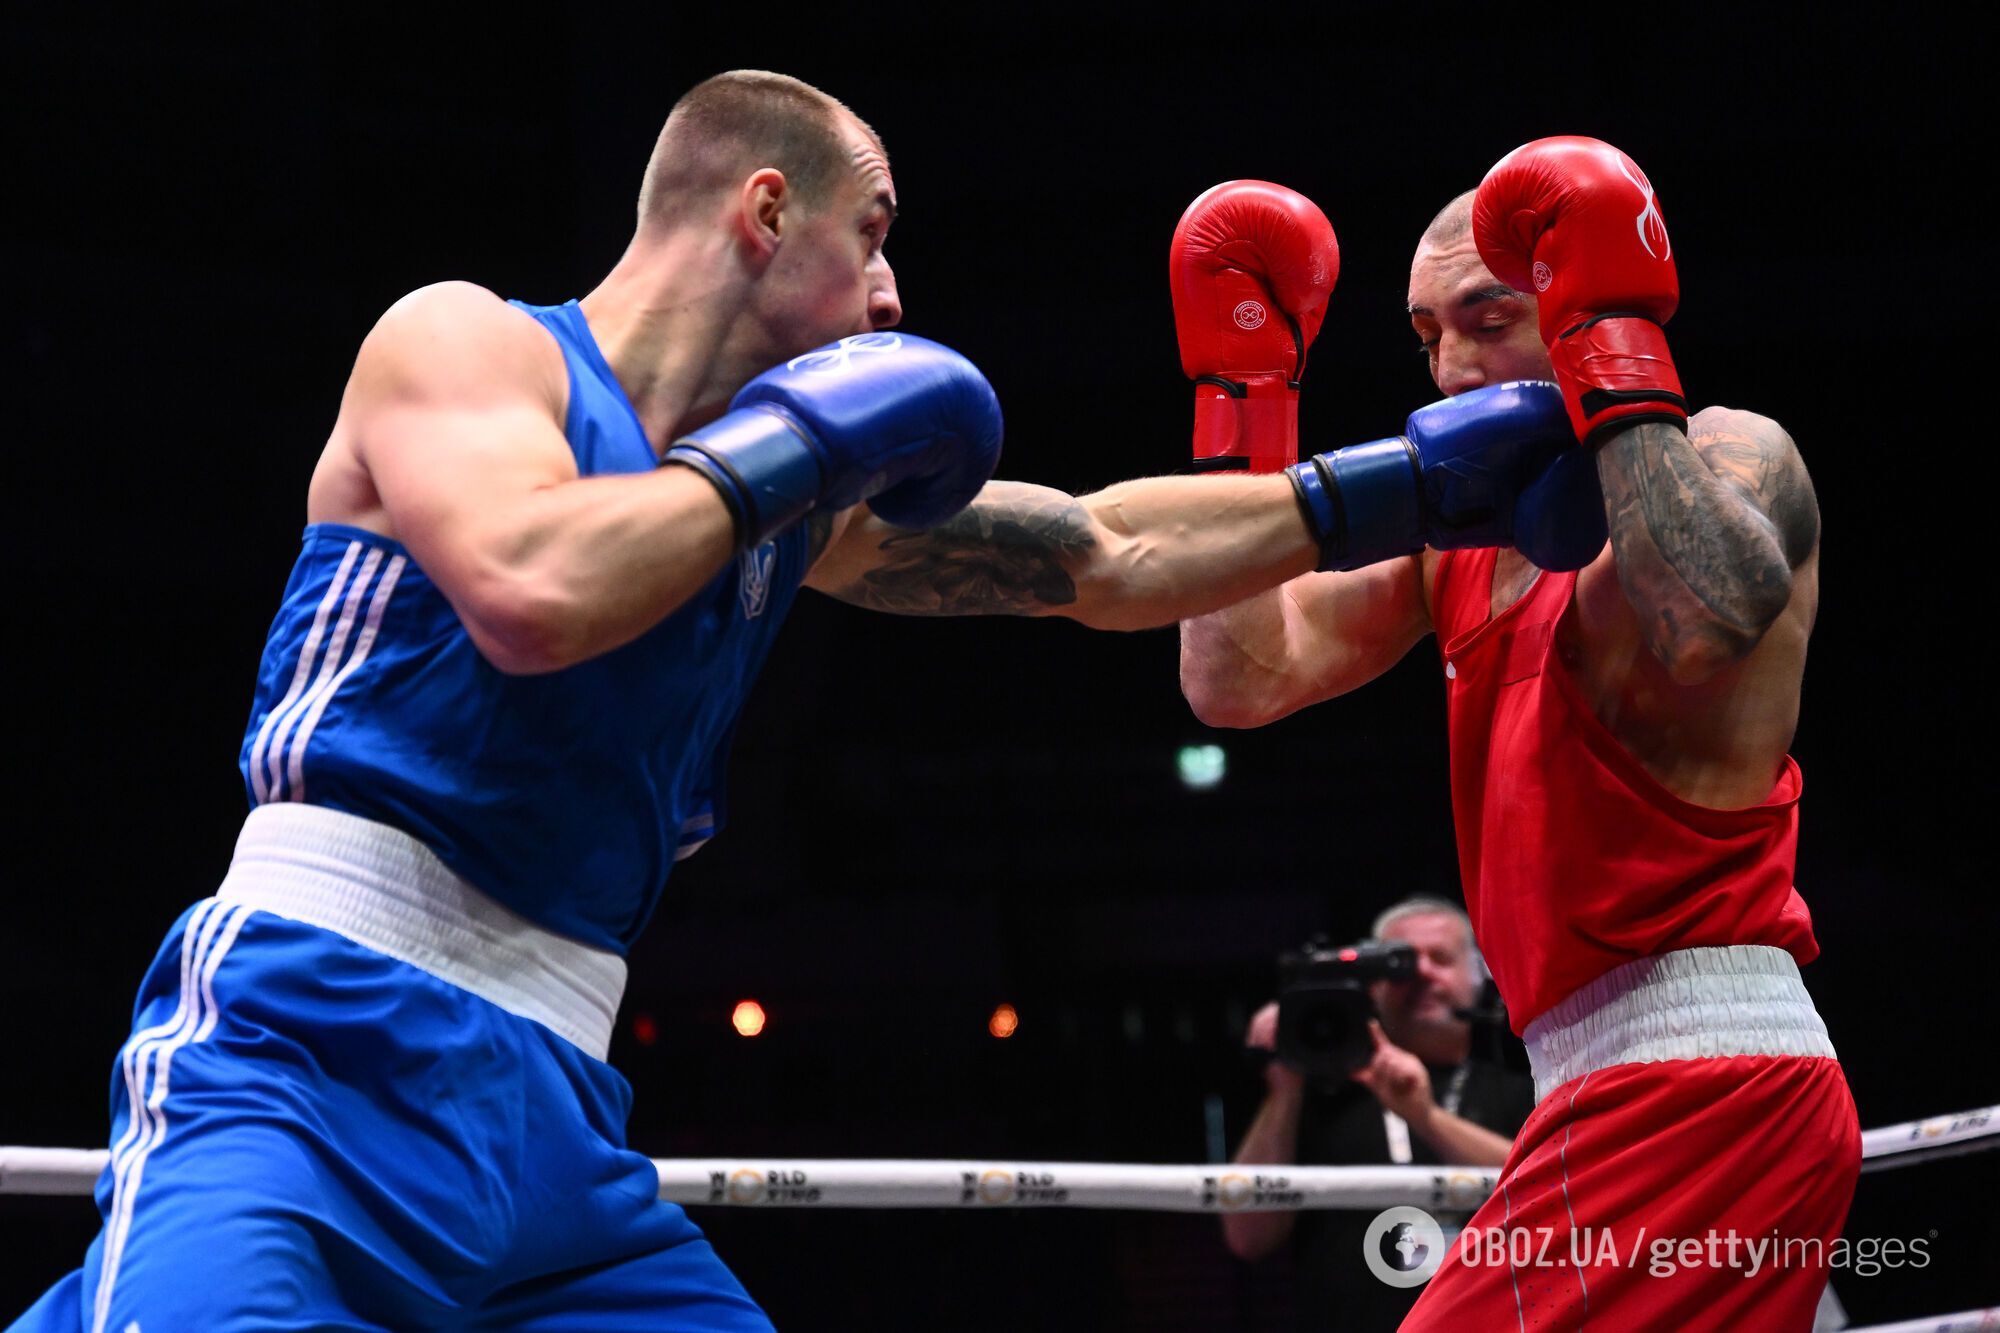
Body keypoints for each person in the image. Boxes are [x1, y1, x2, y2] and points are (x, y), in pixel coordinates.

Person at [12, 74, 1607, 1331]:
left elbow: (1106, 551)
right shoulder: (469, 349)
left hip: (559, 1116)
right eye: (878, 232)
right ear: (769, 210)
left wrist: (1409, 488)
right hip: (311, 1040)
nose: (897, 295)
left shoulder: (794, 510)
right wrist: (793, 455)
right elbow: (534, 586)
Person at [1178, 140, 1859, 1329]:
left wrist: (1614, 351)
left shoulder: (1735, 452)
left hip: (1701, 1075)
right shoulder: (1459, 543)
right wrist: (1249, 407)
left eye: (1487, 320)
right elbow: (1237, 678)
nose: (1448, 369)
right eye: (1423, 332)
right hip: (1591, 1086)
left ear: (1575, 309)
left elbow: (1699, 618)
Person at [1224, 899, 1534, 1330]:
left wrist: (1424, 1117)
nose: (1422, 972)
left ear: (1479, 974)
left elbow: (1549, 1196)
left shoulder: (1528, 1089)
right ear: (1372, 984)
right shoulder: (1316, 1098)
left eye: (1441, 958)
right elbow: (1247, 1237)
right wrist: (1286, 1086)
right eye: (1400, 963)